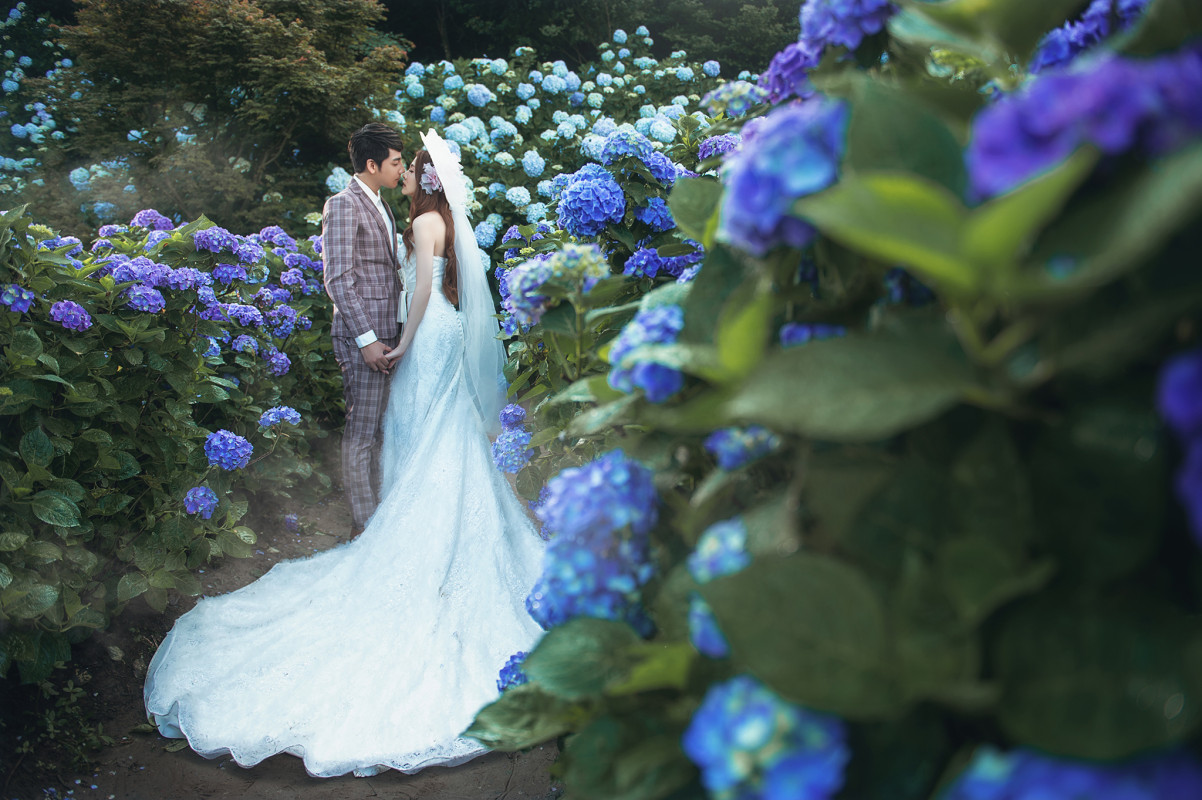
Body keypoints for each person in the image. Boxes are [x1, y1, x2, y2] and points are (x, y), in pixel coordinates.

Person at [143, 130, 546, 777]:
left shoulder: (421, 226)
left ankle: (404, 529)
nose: (404, 177)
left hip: (421, 336)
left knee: (417, 434)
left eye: (409, 170)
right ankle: (413, 522)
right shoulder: (417, 218)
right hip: (432, 337)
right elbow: (373, 280)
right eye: (398, 167)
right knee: (440, 436)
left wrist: (404, 340)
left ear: (423, 179)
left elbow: (418, 296)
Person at [322, 122, 405, 535]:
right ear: (372, 164)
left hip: (389, 332)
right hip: (364, 337)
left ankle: (379, 516)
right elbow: (338, 278)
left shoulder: (381, 203)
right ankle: (364, 526)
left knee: (382, 430)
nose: (402, 169)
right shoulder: (343, 204)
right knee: (362, 429)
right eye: (395, 161)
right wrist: (368, 341)